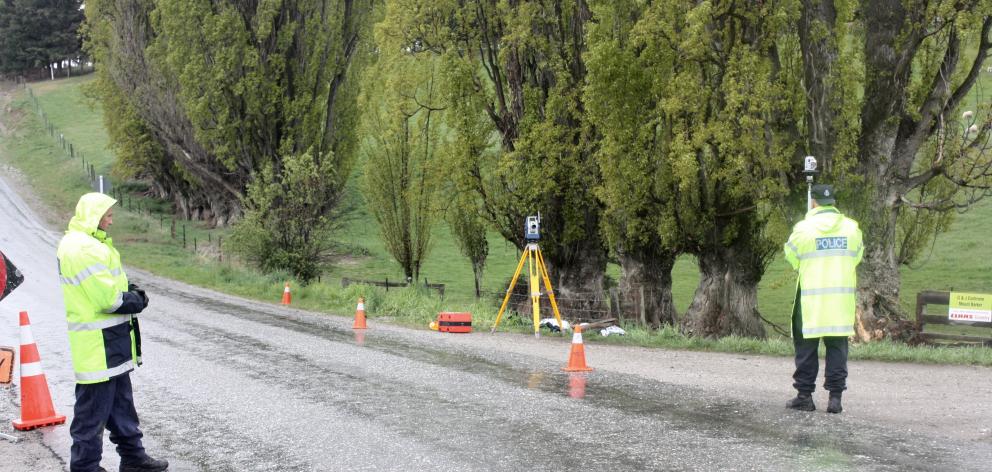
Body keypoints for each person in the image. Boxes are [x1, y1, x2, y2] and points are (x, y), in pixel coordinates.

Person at [57, 193, 168, 472]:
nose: (111, 219)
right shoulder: (82, 248)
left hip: (111, 344)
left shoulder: (90, 243)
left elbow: (111, 282)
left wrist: (130, 288)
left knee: (121, 406)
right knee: (91, 414)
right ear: (93, 216)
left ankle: (133, 458)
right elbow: (107, 299)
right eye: (107, 214)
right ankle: (85, 467)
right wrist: (137, 299)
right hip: (98, 348)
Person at [783, 184, 863, 414]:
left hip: (811, 300)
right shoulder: (851, 228)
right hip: (840, 301)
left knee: (806, 348)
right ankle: (835, 399)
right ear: (833, 202)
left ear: (814, 202)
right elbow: (856, 257)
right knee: (837, 347)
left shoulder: (803, 229)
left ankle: (805, 396)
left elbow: (792, 257)